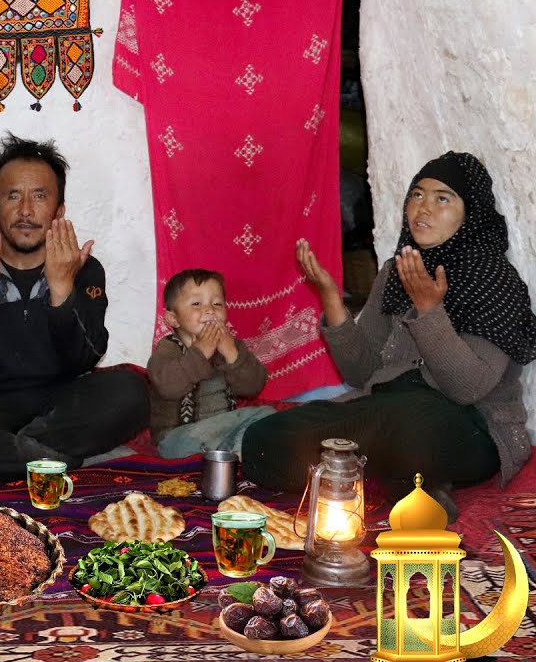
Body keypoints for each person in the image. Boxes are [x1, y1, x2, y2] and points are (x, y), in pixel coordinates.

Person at [242, 151, 536, 511]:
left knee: (409, 423)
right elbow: (362, 373)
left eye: (442, 198)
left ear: (469, 212)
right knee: (263, 439)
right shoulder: (396, 270)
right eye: (417, 194)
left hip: (467, 427)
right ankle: (407, 481)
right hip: (383, 413)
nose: (423, 208)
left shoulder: (493, 279)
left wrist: (429, 310)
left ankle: (378, 470)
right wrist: (334, 304)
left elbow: (468, 388)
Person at [0, 134, 151, 482]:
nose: (26, 211)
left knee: (131, 392)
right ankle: (61, 460)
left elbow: (84, 358)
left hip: (61, 402)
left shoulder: (83, 267)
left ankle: (25, 452)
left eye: (40, 196)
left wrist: (61, 285)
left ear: (59, 211)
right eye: (13, 196)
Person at [148, 268, 272, 458]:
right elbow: (167, 387)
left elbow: (253, 386)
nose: (209, 310)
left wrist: (231, 353)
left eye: (217, 303)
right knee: (243, 431)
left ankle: (234, 456)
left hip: (224, 433)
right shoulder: (169, 348)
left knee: (267, 414)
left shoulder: (231, 346)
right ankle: (234, 455)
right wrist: (201, 352)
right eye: (196, 303)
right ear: (173, 318)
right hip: (179, 438)